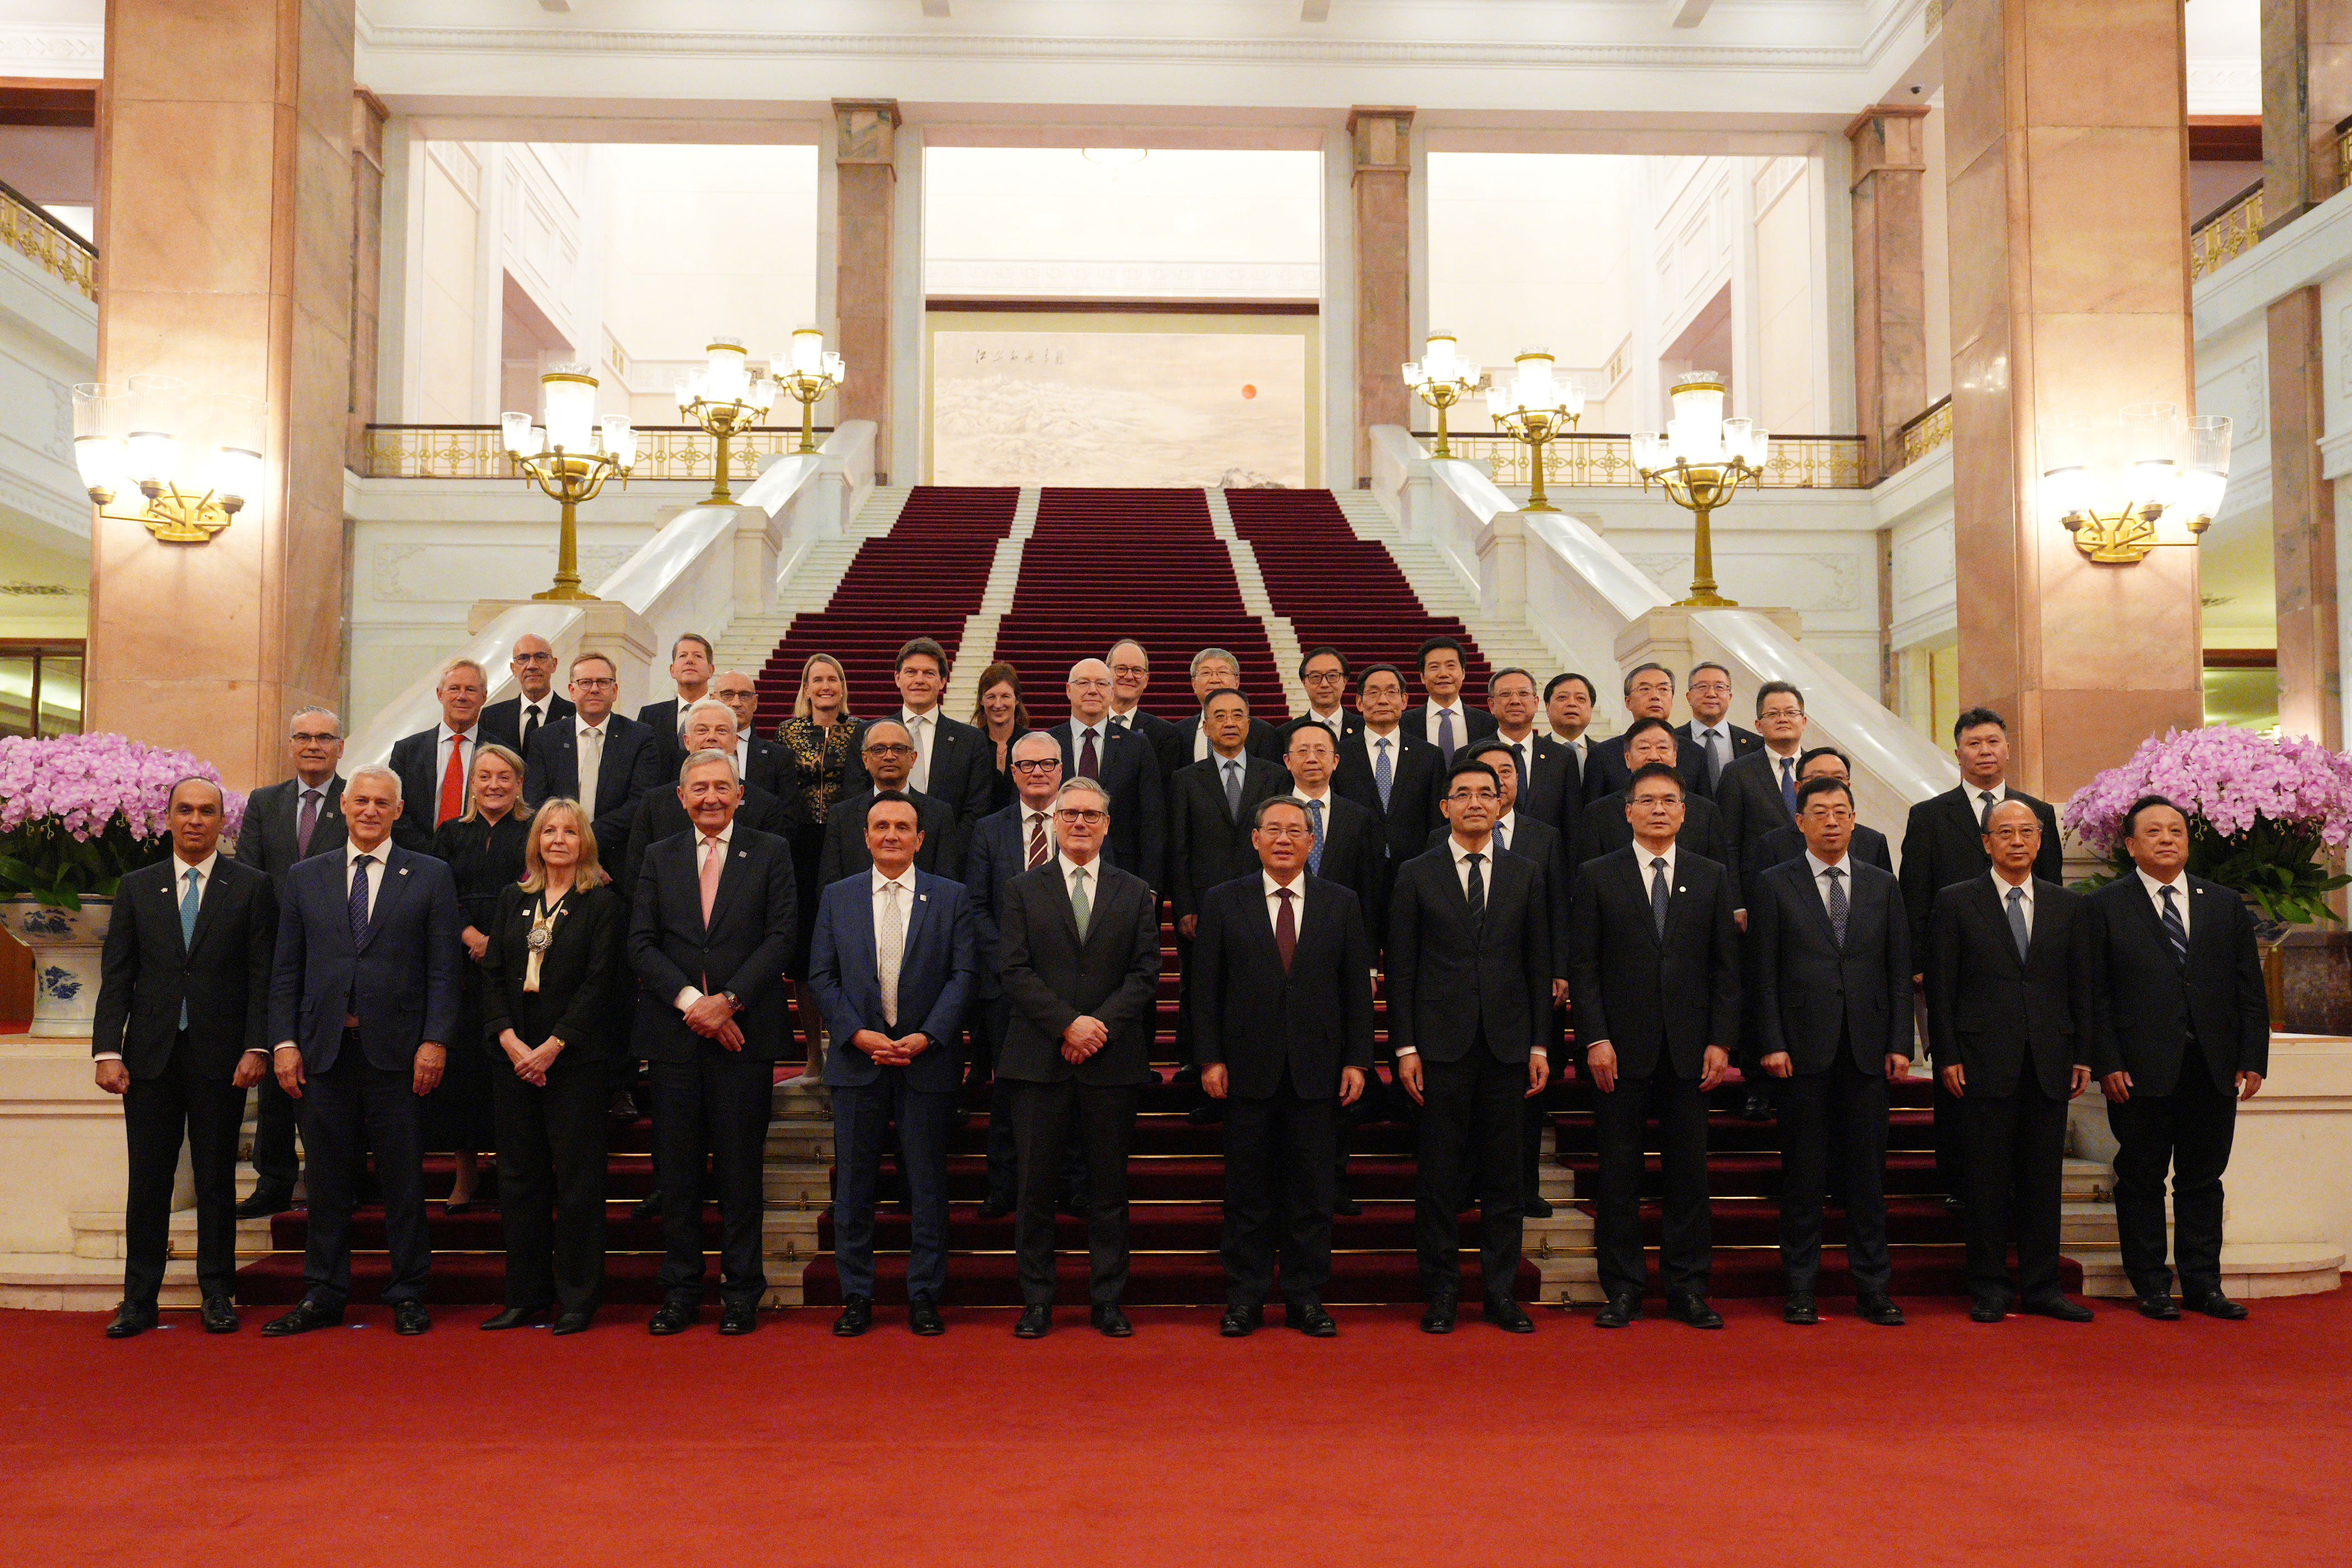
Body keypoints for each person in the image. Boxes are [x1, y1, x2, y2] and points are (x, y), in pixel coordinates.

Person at [261, 765, 464, 1337]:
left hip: (400, 1055)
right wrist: (283, 1043)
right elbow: (286, 969)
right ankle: (323, 1294)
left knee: (403, 1181)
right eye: (361, 801)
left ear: (399, 810)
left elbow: (445, 969)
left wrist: (435, 1040)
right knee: (326, 1183)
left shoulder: (430, 875)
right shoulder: (306, 876)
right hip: (322, 1053)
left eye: (382, 802)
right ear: (344, 807)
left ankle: (408, 1292)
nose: (370, 810)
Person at [92, 778, 277, 1338]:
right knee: (148, 1180)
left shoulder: (252, 886)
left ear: (223, 821)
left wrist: (257, 1046)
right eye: (186, 810)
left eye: (207, 811)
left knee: (216, 1179)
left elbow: (262, 975)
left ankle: (217, 1293)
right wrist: (107, 1050)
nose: (196, 820)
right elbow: (117, 975)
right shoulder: (136, 886)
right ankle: (138, 1299)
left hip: (223, 1057)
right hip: (149, 1057)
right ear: (169, 817)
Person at [629, 749, 798, 1336]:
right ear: (681, 796)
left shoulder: (770, 851)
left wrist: (729, 1000)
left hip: (743, 1037)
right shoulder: (659, 855)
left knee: (739, 1170)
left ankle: (741, 1291)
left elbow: (782, 936)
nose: (710, 797)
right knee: (676, 1174)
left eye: (722, 787)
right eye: (699, 787)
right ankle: (680, 1291)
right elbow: (641, 942)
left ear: (740, 793)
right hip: (673, 1037)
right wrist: (692, 1004)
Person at [1569, 761, 1741, 1330]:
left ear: (1684, 812)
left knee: (1689, 1175)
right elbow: (1584, 967)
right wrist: (1595, 1037)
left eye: (1669, 800)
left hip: (1691, 1051)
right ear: (1628, 811)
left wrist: (1720, 1040)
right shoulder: (1597, 874)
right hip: (1618, 1051)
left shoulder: (1710, 875)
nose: (1659, 809)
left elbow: (1726, 969)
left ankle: (1688, 1289)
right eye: (1647, 800)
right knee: (1619, 1175)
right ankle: (1622, 1289)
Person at [1196, 797, 1376, 1338]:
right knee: (1246, 1194)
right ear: (1255, 839)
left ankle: (1305, 1298)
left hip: (1318, 1072)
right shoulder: (1223, 901)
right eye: (1273, 829)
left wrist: (1357, 1060)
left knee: (1311, 1195)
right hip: (1245, 1072)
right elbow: (1205, 990)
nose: (1283, 839)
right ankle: (1245, 1298)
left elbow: (1356, 992)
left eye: (1295, 831)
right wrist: (1209, 1057)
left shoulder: (1341, 902)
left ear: (1311, 842)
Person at [2086, 795, 2270, 1321]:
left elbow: (2248, 988)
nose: (2167, 839)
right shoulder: (2104, 905)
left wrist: (2252, 1057)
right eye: (2154, 831)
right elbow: (2094, 994)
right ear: (2130, 845)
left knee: (2203, 1181)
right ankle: (2151, 1286)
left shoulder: (2223, 903)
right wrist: (2107, 1062)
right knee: (2141, 1178)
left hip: (2212, 1066)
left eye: (2176, 831)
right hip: (2138, 1068)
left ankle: (2204, 1285)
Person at [1388, 757, 1553, 1334]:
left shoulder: (1526, 872)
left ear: (1502, 803)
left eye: (1488, 792)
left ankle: (1501, 1293)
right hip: (1439, 1047)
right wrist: (1405, 1047)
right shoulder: (1416, 873)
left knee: (1506, 1179)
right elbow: (1401, 967)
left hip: (1507, 1047)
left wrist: (1540, 1044)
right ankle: (1442, 1292)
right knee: (1438, 1178)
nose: (1477, 802)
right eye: (1464, 793)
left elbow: (1538, 965)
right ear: (1446, 806)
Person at [809, 791, 980, 1338]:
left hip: (926, 1061)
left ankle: (925, 1294)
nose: (891, 835)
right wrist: (857, 1034)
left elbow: (963, 975)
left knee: (927, 1185)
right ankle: (856, 1295)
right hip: (857, 1062)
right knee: (854, 1188)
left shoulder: (951, 897)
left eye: (902, 826)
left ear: (920, 838)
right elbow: (822, 976)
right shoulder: (838, 896)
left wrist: (927, 1036)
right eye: (880, 825)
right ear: (865, 836)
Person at [995, 779, 1162, 1339]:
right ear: (1054, 822)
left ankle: (1107, 1299)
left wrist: (1097, 1028)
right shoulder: (1022, 888)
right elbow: (1013, 968)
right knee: (1034, 1189)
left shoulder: (1135, 891)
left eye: (1092, 814)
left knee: (1108, 1188)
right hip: (1038, 1059)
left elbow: (1145, 972)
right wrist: (1067, 1024)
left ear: (1107, 825)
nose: (1081, 823)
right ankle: (1037, 1300)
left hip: (1111, 1061)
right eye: (1070, 814)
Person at [1749, 774, 1912, 1327]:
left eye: (1841, 810)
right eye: (1819, 812)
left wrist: (1900, 1042)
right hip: (1800, 1052)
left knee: (1867, 1177)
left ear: (1855, 818)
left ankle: (1874, 1287)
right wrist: (1771, 1042)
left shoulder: (1881, 884)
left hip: (1867, 1050)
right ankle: (1801, 1286)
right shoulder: (1775, 883)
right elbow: (1762, 972)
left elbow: (1897, 969)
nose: (1832, 821)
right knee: (1804, 1176)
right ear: (1800, 822)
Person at [1926, 799, 2096, 1323]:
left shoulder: (2068, 905)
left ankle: (2042, 1287)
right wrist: (1946, 1054)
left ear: (2040, 841)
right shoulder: (1956, 901)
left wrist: (2083, 1054)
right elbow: (1941, 986)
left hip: (2049, 1058)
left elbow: (2083, 987)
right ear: (1987, 843)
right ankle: (1990, 1286)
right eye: (2005, 833)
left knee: (2043, 1182)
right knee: (1986, 1181)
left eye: (2026, 832)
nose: (2017, 841)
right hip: (1980, 1059)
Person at [1900, 706, 2065, 1203]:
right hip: (1954, 972)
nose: (1985, 751)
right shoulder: (1929, 816)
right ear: (1958, 753)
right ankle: (1959, 1181)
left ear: (2007, 749)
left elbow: (2053, 894)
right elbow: (1914, 896)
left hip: (2026, 970)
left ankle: (2015, 1182)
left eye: (1993, 742)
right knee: (1956, 1078)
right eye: (1974, 744)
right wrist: (1919, 965)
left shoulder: (2039, 813)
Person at [478, 797, 627, 1334]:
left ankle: (578, 1299)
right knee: (519, 1179)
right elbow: (493, 974)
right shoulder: (512, 899)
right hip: (514, 1057)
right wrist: (510, 1039)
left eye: (568, 831)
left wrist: (554, 1045)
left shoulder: (602, 904)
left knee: (578, 1184)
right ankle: (526, 1296)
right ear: (535, 841)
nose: (558, 840)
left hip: (575, 1060)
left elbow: (602, 983)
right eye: (548, 831)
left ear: (584, 842)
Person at [1432, 738, 1572, 1218]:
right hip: (1457, 1003)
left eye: (1505, 773)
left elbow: (1555, 908)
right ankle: (1465, 1184)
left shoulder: (1543, 837)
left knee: (1520, 1105)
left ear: (1512, 783)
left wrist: (1558, 968)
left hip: (1519, 993)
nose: (1492, 786)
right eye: (1479, 776)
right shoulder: (1438, 843)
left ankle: (1524, 1186)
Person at [964, 731, 1090, 1218]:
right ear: (1012, 773)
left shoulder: (1082, 823)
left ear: (1062, 770)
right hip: (1007, 987)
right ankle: (1004, 1186)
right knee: (1009, 1091)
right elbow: (977, 906)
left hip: (1072, 985)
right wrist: (1012, 967)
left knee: (1073, 1089)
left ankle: (1073, 1184)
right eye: (1027, 765)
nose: (1038, 772)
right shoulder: (988, 830)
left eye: (1047, 764)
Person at [231, 705, 347, 1219]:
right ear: (291, 744)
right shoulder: (265, 802)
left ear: (340, 746)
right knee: (278, 1066)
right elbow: (249, 876)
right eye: (303, 737)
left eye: (324, 738)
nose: (313, 746)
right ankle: (274, 1180)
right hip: (276, 954)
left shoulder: (357, 799)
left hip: (335, 955)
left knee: (332, 1074)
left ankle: (338, 1179)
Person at [1281, 720, 1388, 1216]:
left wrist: (1368, 962)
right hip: (1279, 957)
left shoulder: (1359, 817)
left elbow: (1371, 891)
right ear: (1287, 761)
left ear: (1336, 760)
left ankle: (1334, 1177)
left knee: (1334, 1076)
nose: (1312, 759)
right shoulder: (1270, 814)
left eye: (1321, 751)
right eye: (1302, 751)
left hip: (1337, 964)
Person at [428, 743, 531, 1213]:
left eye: (504, 777)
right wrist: (470, 934)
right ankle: (465, 1174)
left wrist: (500, 942)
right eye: (485, 776)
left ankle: (517, 1172)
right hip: (461, 962)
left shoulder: (535, 829)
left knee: (510, 1071)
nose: (494, 785)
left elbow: (540, 888)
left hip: (521, 958)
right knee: (466, 1075)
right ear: (472, 784)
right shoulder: (450, 833)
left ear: (519, 784)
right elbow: (439, 893)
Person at [1168, 689, 1290, 1078]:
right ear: (1205, 727)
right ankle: (1197, 1061)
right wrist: (1185, 906)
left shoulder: (1274, 775)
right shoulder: (1185, 779)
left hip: (1262, 897)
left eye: (1238, 715)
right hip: (1204, 905)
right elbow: (1178, 848)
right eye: (1219, 716)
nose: (1230, 723)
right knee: (1202, 984)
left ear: (1249, 724)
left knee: (1259, 982)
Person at [776, 651, 865, 1056]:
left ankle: (847, 1045)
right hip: (800, 847)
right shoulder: (787, 731)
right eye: (818, 680)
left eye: (833, 679)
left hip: (847, 843)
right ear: (806, 688)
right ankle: (814, 1051)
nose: (826, 686)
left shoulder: (861, 731)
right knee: (805, 949)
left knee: (847, 942)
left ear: (843, 687)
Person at [621, 698, 793, 897]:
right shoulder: (655, 803)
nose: (711, 737)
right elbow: (637, 877)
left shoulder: (765, 805)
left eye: (721, 731)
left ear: (735, 742)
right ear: (687, 741)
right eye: (702, 730)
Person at [522, 650, 663, 881]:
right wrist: (568, 841)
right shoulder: (544, 739)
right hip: (555, 861)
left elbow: (639, 803)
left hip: (618, 864)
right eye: (585, 682)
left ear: (615, 690)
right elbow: (536, 802)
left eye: (603, 682)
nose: (595, 689)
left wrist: (581, 840)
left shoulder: (640, 737)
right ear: (572, 691)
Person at [1049, 658, 1165, 887]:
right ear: (1068, 690)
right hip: (1055, 872)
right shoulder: (1049, 743)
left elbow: (1153, 820)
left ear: (1112, 693)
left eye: (1101, 684)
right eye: (1084, 683)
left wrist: (1150, 887)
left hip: (1124, 875)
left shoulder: (1137, 746)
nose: (1093, 690)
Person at [1330, 662, 1444, 885]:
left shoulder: (1429, 756)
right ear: (1359, 703)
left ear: (1404, 701)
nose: (1383, 700)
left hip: (1416, 871)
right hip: (1355, 871)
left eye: (1391, 692)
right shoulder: (1339, 755)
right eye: (1373, 693)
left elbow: (1436, 821)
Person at [1742, 747, 1893, 908]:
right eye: (1818, 779)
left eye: (1838, 778)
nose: (1829, 785)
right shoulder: (1773, 845)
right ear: (1798, 787)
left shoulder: (1873, 843)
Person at [1573, 718, 1728, 872]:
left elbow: (1716, 875)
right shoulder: (1599, 814)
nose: (1654, 756)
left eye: (1662, 748)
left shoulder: (1706, 813)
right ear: (1628, 757)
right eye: (1644, 748)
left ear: (1675, 756)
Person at [821, 719, 958, 883]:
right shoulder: (842, 815)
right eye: (878, 750)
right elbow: (830, 887)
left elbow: (946, 885)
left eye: (898, 749)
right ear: (865, 760)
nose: (889, 756)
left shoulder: (939, 814)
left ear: (913, 758)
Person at [1712, 679, 1810, 894]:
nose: (1783, 719)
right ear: (1758, 725)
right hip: (1760, 890)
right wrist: (1736, 902)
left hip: (1815, 886)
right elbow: (1729, 844)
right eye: (1773, 714)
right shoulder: (1737, 772)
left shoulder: (1819, 767)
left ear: (1803, 721)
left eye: (1791, 713)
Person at [388, 656, 488, 852]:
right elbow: (395, 811)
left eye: (470, 690)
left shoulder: (501, 752)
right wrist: (431, 856)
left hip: (479, 858)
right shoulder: (407, 751)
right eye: (454, 688)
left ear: (484, 697)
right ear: (440, 694)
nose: (462, 696)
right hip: (417, 858)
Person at [1583, 662, 1706, 804]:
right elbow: (1593, 811)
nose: (1655, 696)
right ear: (1628, 702)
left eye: (1663, 689)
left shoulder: (1695, 753)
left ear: (1672, 699)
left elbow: (1704, 810)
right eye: (1645, 689)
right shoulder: (1602, 755)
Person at [1166, 646, 1284, 769]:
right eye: (1206, 673)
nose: (1214, 680)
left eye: (1222, 672)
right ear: (1194, 684)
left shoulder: (1264, 733)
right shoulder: (1178, 733)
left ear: (1237, 682)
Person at [1402, 635, 1496, 762]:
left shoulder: (1488, 724)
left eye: (1451, 666)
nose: (1443, 674)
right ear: (1422, 677)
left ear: (1463, 673)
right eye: (1434, 667)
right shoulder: (1404, 724)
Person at [1674, 660, 1761, 797]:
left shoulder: (1755, 744)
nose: (1711, 694)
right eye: (1702, 687)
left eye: (1719, 687)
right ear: (1689, 697)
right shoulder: (1671, 740)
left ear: (1730, 697)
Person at [479, 632, 574, 755]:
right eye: (523, 658)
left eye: (540, 657)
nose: (532, 666)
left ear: (554, 665)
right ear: (514, 669)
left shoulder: (575, 715)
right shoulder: (491, 718)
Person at [1524, 673, 1594, 829]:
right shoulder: (1530, 753)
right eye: (1562, 698)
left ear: (1591, 708)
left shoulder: (1605, 754)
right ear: (1547, 707)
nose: (1572, 704)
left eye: (1581, 699)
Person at [637, 631, 715, 772]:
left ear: (711, 670)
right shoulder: (650, 716)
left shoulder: (725, 714)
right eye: (683, 656)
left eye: (697, 656)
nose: (689, 661)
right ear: (672, 670)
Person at [709, 668, 787, 799]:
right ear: (713, 700)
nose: (736, 703)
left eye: (744, 695)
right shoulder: (694, 751)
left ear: (755, 702)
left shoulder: (779, 758)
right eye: (728, 695)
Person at [973, 660, 1032, 815]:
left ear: (1016, 699)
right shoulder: (970, 744)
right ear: (981, 701)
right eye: (991, 697)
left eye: (1005, 696)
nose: (998, 704)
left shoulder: (1032, 743)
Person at [1105, 638, 1179, 760]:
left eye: (1137, 671)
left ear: (1146, 680)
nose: (1129, 677)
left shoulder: (1164, 734)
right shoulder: (1089, 727)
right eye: (1121, 669)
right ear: (1106, 673)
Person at [1277, 646, 1359, 750]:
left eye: (1332, 676)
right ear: (1304, 683)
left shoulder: (1364, 728)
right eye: (1316, 677)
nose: (1324, 684)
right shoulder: (1285, 734)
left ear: (1345, 681)